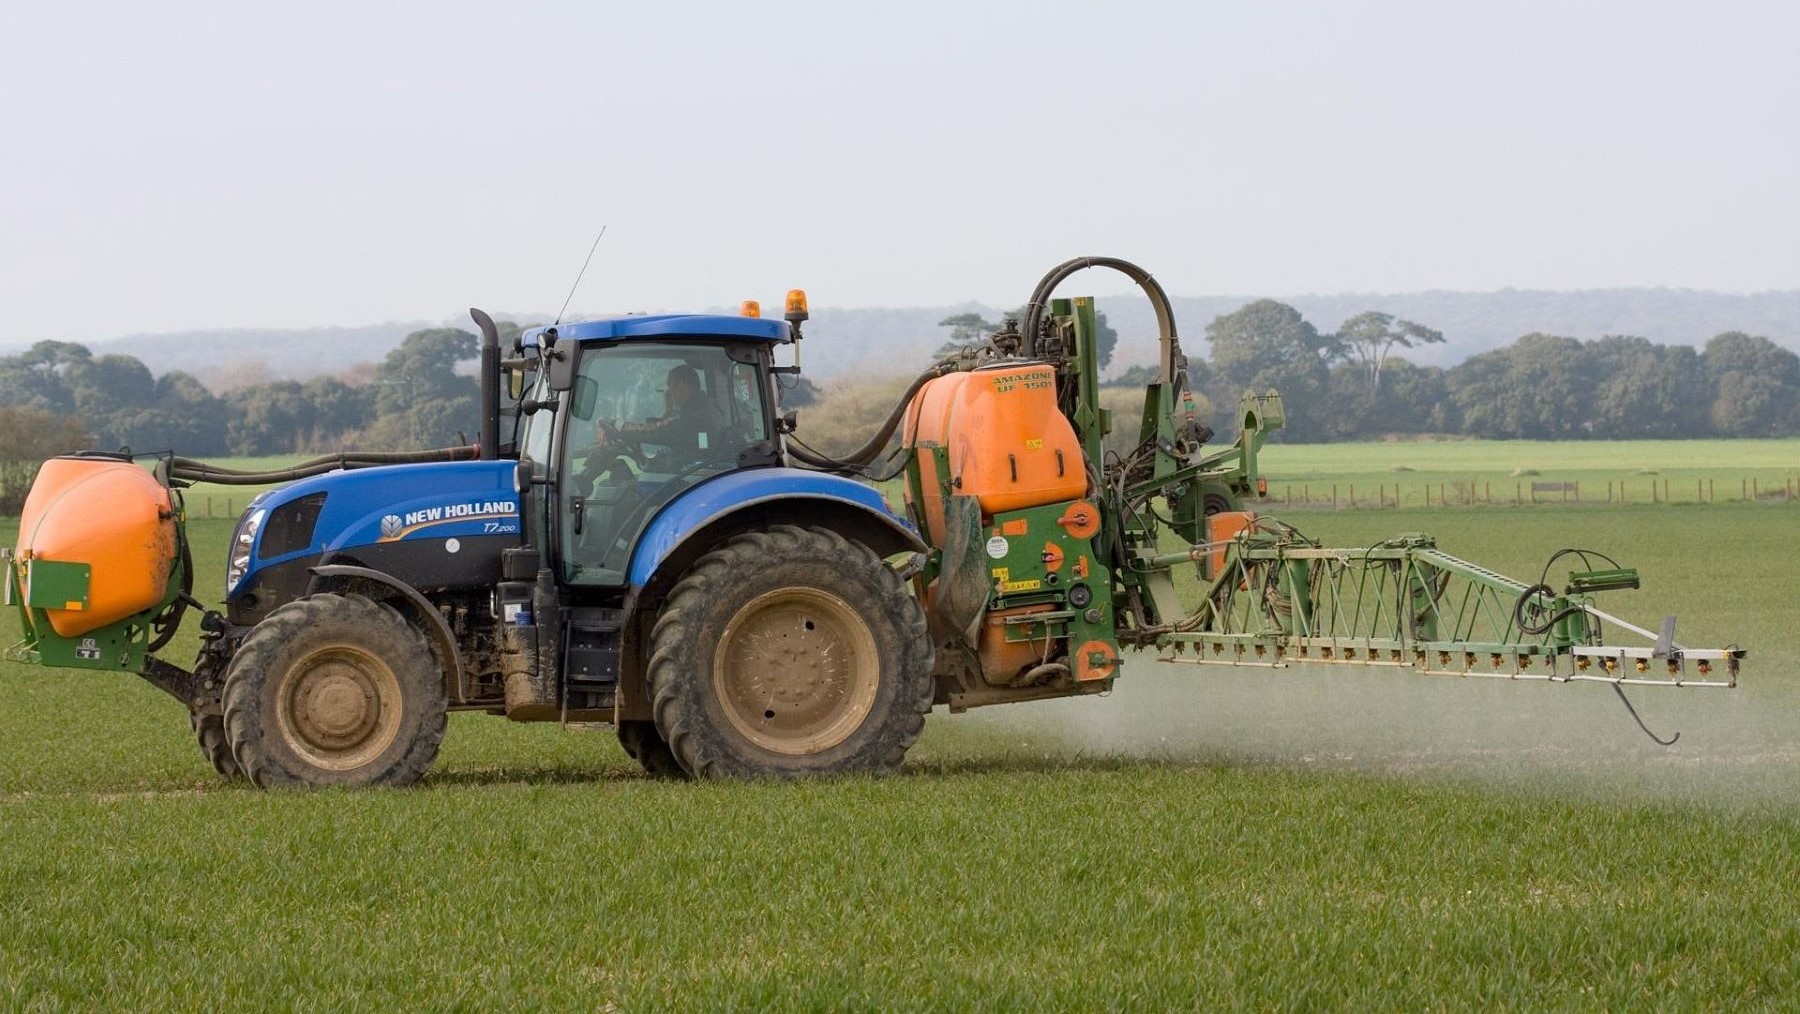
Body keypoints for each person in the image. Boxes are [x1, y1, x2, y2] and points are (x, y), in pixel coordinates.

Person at [595, 364, 723, 466]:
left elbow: (655, 431)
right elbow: (674, 431)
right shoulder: (702, 408)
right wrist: (669, 411)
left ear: (682, 385)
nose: (669, 391)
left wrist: (615, 425)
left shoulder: (693, 415)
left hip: (688, 475)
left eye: (670, 386)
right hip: (691, 467)